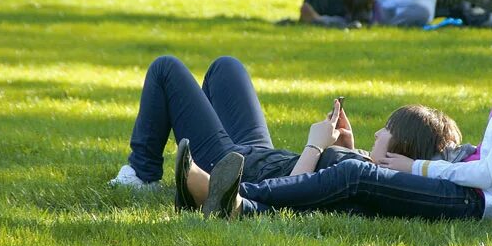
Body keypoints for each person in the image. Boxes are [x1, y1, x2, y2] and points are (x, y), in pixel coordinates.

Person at [183, 0, 492, 221]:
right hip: (468, 188)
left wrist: (416, 167)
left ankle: (241, 199)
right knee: (354, 182)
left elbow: (489, 173)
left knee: (356, 179)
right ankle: (237, 203)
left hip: (478, 201)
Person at [108, 55, 373, 210]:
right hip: (264, 155)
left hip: (237, 167)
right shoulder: (373, 166)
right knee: (226, 66)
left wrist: (314, 147)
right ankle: (191, 146)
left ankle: (142, 174)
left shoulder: (383, 176)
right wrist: (346, 147)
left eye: (386, 134)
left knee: (165, 68)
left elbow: (292, 191)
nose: (378, 134)